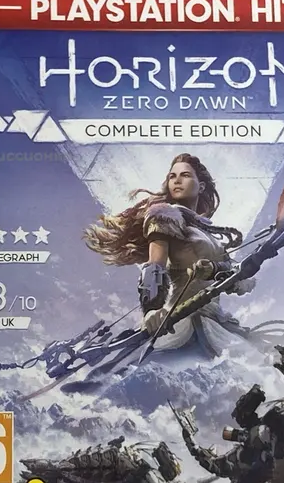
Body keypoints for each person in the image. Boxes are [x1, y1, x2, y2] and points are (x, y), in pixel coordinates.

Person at [82, 153, 257, 359]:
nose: (177, 180)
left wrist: (243, 277)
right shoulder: (165, 214)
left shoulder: (208, 233)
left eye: (185, 175)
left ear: (201, 186)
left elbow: (232, 275)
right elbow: (155, 265)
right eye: (172, 176)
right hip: (179, 322)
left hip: (218, 322)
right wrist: (152, 309)